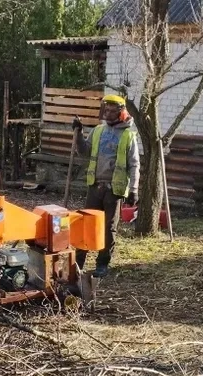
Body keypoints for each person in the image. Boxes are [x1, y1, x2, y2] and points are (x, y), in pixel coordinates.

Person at [72, 94, 141, 278]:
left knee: (109, 229)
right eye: (106, 110)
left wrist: (134, 190)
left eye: (112, 111)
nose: (108, 114)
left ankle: (102, 264)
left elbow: (134, 164)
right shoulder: (98, 131)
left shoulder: (128, 135)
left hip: (113, 190)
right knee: (86, 224)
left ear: (121, 112)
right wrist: (78, 133)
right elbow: (84, 153)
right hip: (95, 187)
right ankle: (78, 262)